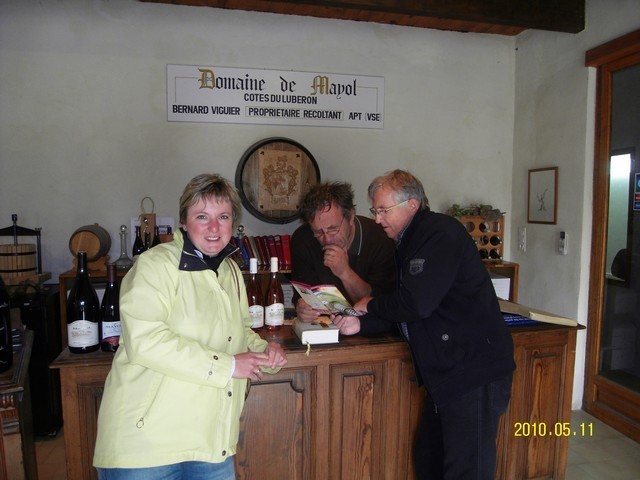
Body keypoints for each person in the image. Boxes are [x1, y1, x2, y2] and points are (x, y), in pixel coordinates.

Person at [93, 173, 287, 480]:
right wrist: (228, 366)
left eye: (223, 217)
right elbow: (147, 342)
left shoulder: (230, 271)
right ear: (184, 222)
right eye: (202, 216)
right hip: (146, 447)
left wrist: (265, 352)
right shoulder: (154, 266)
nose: (214, 227)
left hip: (210, 443)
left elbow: (240, 332)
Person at [333, 169, 515, 480]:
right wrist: (361, 326)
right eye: (374, 210)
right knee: (429, 461)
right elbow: (408, 307)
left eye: (383, 210)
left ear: (412, 205)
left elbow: (417, 303)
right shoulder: (408, 240)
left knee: (467, 470)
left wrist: (369, 305)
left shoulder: (438, 234)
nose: (377, 219)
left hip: (472, 372)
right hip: (445, 376)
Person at [290, 181, 396, 322]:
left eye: (333, 229)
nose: (327, 239)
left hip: (370, 327)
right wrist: (302, 306)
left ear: (350, 217)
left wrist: (345, 272)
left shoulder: (380, 239)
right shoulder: (303, 239)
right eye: (318, 232)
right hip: (324, 325)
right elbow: (303, 293)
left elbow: (378, 305)